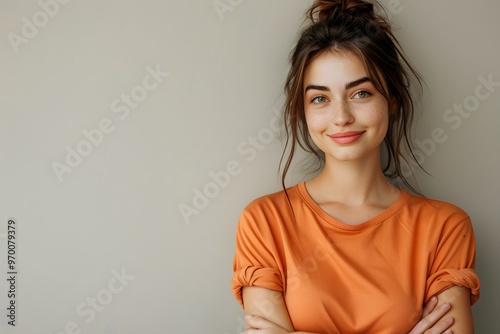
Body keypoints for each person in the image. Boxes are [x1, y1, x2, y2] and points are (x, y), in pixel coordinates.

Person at [231, 0, 480, 333]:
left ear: (391, 100)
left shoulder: (446, 228)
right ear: (302, 111)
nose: (342, 117)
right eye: (320, 98)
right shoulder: (264, 222)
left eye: (361, 93)